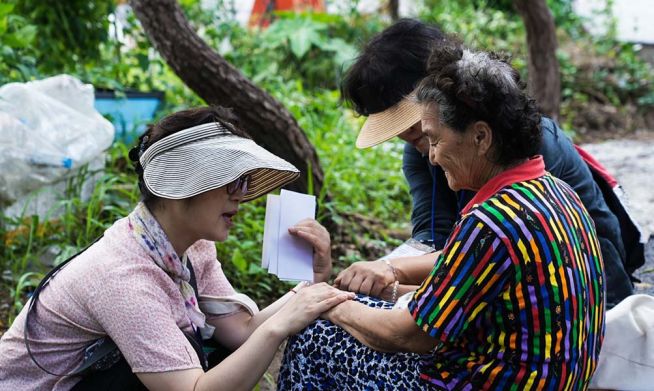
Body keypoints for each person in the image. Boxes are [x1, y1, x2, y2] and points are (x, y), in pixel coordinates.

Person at [278, 44, 605, 390]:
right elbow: (456, 291)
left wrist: (324, 302)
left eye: (434, 140)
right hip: (550, 378)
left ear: (480, 137)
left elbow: (406, 335)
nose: (432, 157)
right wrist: (382, 285)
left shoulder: (491, 223)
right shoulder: (556, 192)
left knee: (314, 335)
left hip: (495, 382)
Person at [0, 106, 354, 390]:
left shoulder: (192, 249)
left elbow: (241, 332)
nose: (241, 195)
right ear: (180, 185)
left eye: (243, 181)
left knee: (207, 350)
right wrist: (280, 326)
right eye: (228, 180)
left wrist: (312, 281)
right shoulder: (122, 276)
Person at [336, 19, 634, 308]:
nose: (411, 138)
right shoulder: (420, 153)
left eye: (412, 126)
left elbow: (503, 248)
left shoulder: (528, 144)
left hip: (578, 292)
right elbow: (434, 237)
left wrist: (392, 272)